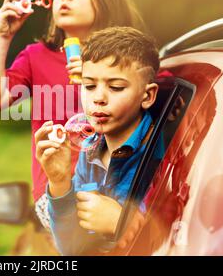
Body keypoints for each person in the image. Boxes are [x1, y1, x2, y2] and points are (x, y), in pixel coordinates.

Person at [0, 0, 144, 229]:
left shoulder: (129, 61)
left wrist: (98, 77)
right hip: (56, 197)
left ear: (108, 1)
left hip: (116, 198)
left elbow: (152, 108)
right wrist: (2, 36)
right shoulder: (36, 56)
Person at [34, 27, 161, 255]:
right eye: (89, 85)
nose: (98, 98)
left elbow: (177, 236)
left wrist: (122, 224)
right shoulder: (90, 149)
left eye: (115, 87)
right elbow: (73, 249)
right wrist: (60, 181)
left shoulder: (161, 152)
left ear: (147, 95)